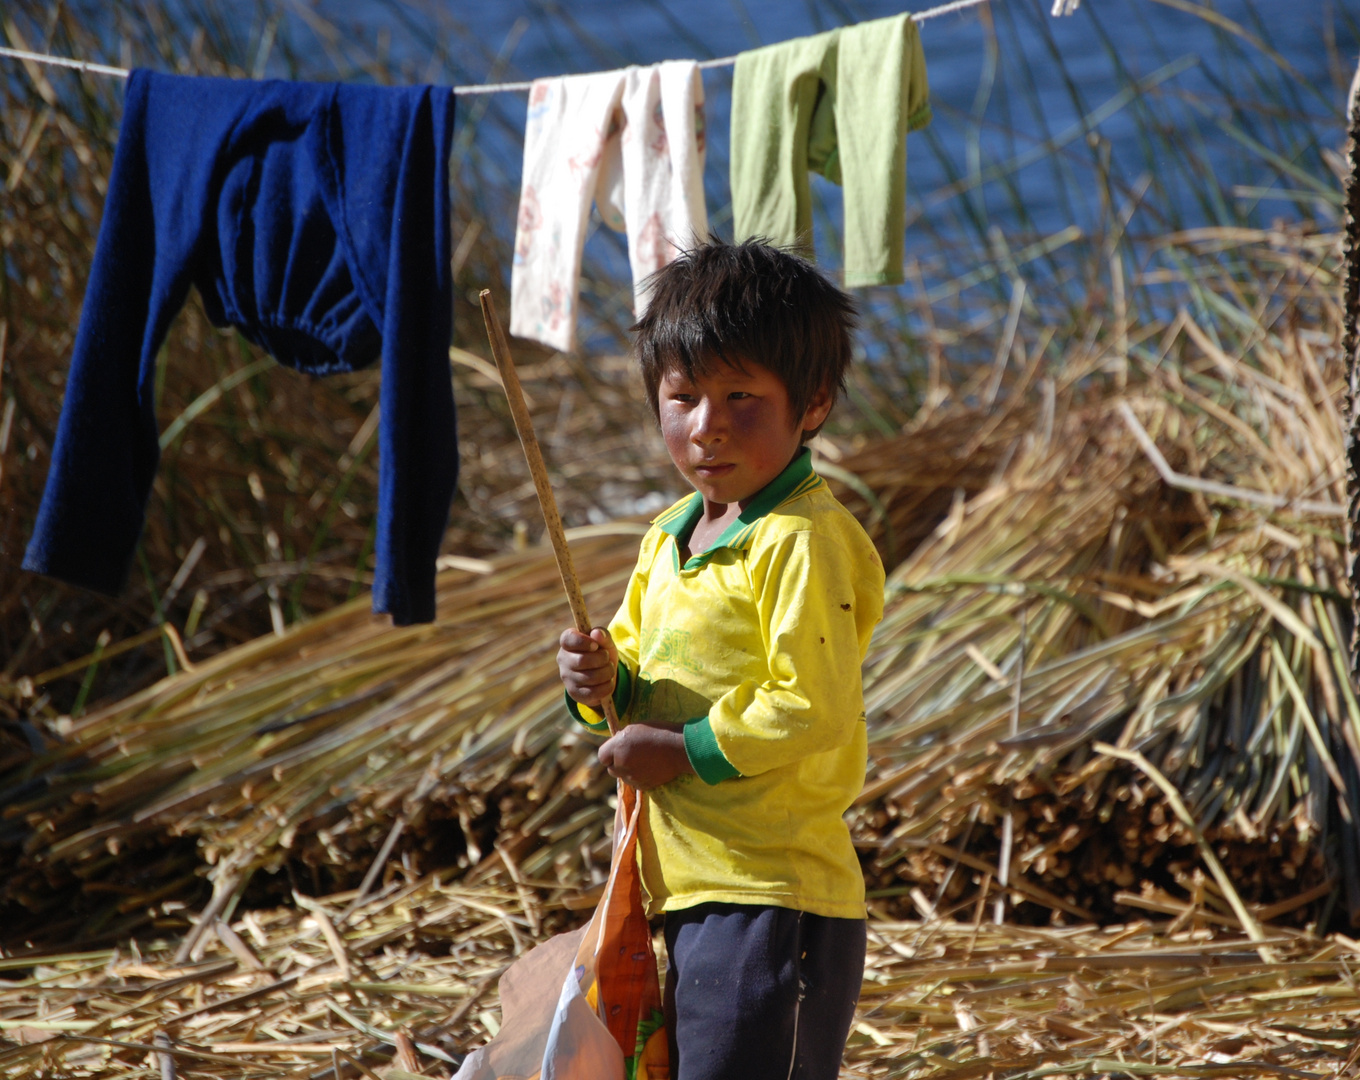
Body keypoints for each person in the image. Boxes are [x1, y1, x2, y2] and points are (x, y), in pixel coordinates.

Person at [556, 238, 884, 1080]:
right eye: (683, 397)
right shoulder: (669, 536)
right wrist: (602, 686)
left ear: (811, 404)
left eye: (742, 397)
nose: (707, 427)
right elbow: (638, 687)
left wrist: (682, 752)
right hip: (681, 882)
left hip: (773, 894)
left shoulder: (803, 542)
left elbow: (810, 703)